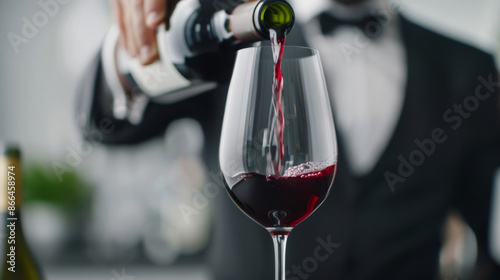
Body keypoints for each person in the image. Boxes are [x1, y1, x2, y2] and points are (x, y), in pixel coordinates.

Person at [78, 0, 500, 279]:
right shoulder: (226, 37)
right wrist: (129, 45)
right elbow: (105, 128)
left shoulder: (471, 69)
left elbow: (485, 236)